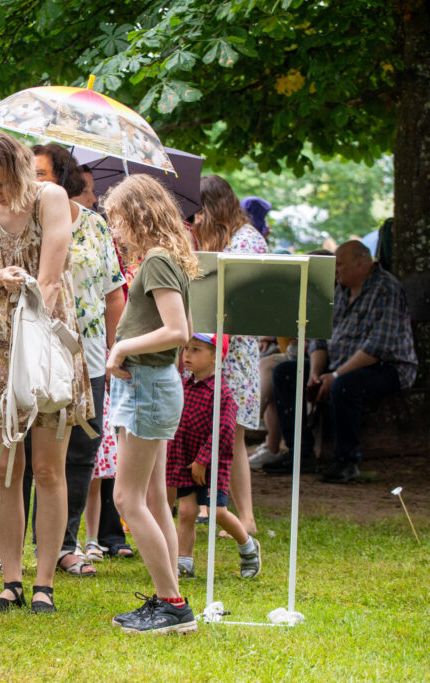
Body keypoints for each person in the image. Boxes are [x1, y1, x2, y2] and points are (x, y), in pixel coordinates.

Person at [0, 131, 93, 614]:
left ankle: (44, 582)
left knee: (48, 468)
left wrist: (29, 334)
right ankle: (10, 581)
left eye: (0, 184)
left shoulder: (49, 198)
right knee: (5, 468)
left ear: (18, 170)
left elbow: (51, 278)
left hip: (44, 344)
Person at [102, 174, 198, 634]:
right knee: (154, 497)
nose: (115, 229)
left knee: (126, 497)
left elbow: (179, 331)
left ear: (138, 215)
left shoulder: (158, 259)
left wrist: (122, 348)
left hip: (148, 387)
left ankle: (173, 605)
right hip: (148, 385)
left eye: (117, 218)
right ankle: (169, 596)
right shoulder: (164, 258)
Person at [32, 143, 125, 577]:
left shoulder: (94, 225)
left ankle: (63, 545)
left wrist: (114, 351)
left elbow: (113, 294)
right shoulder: (20, 223)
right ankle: (6, 547)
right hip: (32, 354)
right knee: (24, 452)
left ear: (62, 179)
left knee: (82, 450)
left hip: (87, 357)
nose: (33, 183)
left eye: (41, 174)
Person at [266, 240, 418, 483]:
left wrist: (335, 375)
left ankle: (347, 461)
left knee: (344, 386)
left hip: (387, 367)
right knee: (286, 373)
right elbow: (320, 339)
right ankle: (300, 454)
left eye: (340, 264)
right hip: (339, 363)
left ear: (361, 263)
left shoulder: (386, 289)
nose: (335, 270)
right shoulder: (340, 291)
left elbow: (377, 347)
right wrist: (315, 374)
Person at [193, 174, 267, 536]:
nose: (195, 220)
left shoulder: (246, 242)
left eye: (199, 212)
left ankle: (246, 517)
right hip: (216, 351)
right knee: (215, 435)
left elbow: (238, 305)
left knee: (230, 438)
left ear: (213, 208)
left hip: (232, 356)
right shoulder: (228, 240)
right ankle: (212, 506)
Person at [169, 333, 262, 580]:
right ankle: (184, 561)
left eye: (196, 350)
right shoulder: (183, 387)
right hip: (186, 460)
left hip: (212, 464)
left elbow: (223, 431)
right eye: (186, 348)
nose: (187, 355)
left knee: (217, 512)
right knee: (186, 511)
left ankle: (248, 547)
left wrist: (203, 460)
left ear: (216, 357)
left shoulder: (222, 394)